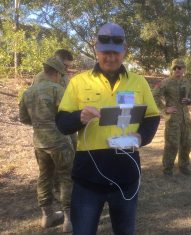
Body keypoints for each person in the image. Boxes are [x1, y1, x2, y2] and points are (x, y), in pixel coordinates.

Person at [55, 22, 160, 235]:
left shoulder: (139, 83)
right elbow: (62, 122)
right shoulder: (78, 82)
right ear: (96, 50)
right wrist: (80, 117)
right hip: (88, 177)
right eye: (105, 53)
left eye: (116, 53)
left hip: (126, 174)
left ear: (125, 51)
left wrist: (141, 137)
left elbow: (152, 116)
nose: (111, 58)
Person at [19, 57, 74, 233]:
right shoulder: (58, 90)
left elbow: (24, 119)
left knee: (44, 177)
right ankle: (68, 220)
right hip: (59, 142)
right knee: (66, 177)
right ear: (57, 73)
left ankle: (47, 216)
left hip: (40, 143)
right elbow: (67, 116)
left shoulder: (28, 93)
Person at [153, 59, 191, 176]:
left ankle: (184, 166)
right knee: (172, 144)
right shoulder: (166, 82)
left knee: (187, 143)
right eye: (175, 68)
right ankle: (167, 169)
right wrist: (165, 109)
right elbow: (154, 95)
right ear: (172, 69)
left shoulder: (187, 82)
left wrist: (189, 101)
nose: (177, 70)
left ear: (184, 69)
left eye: (180, 68)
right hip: (173, 119)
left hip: (186, 118)